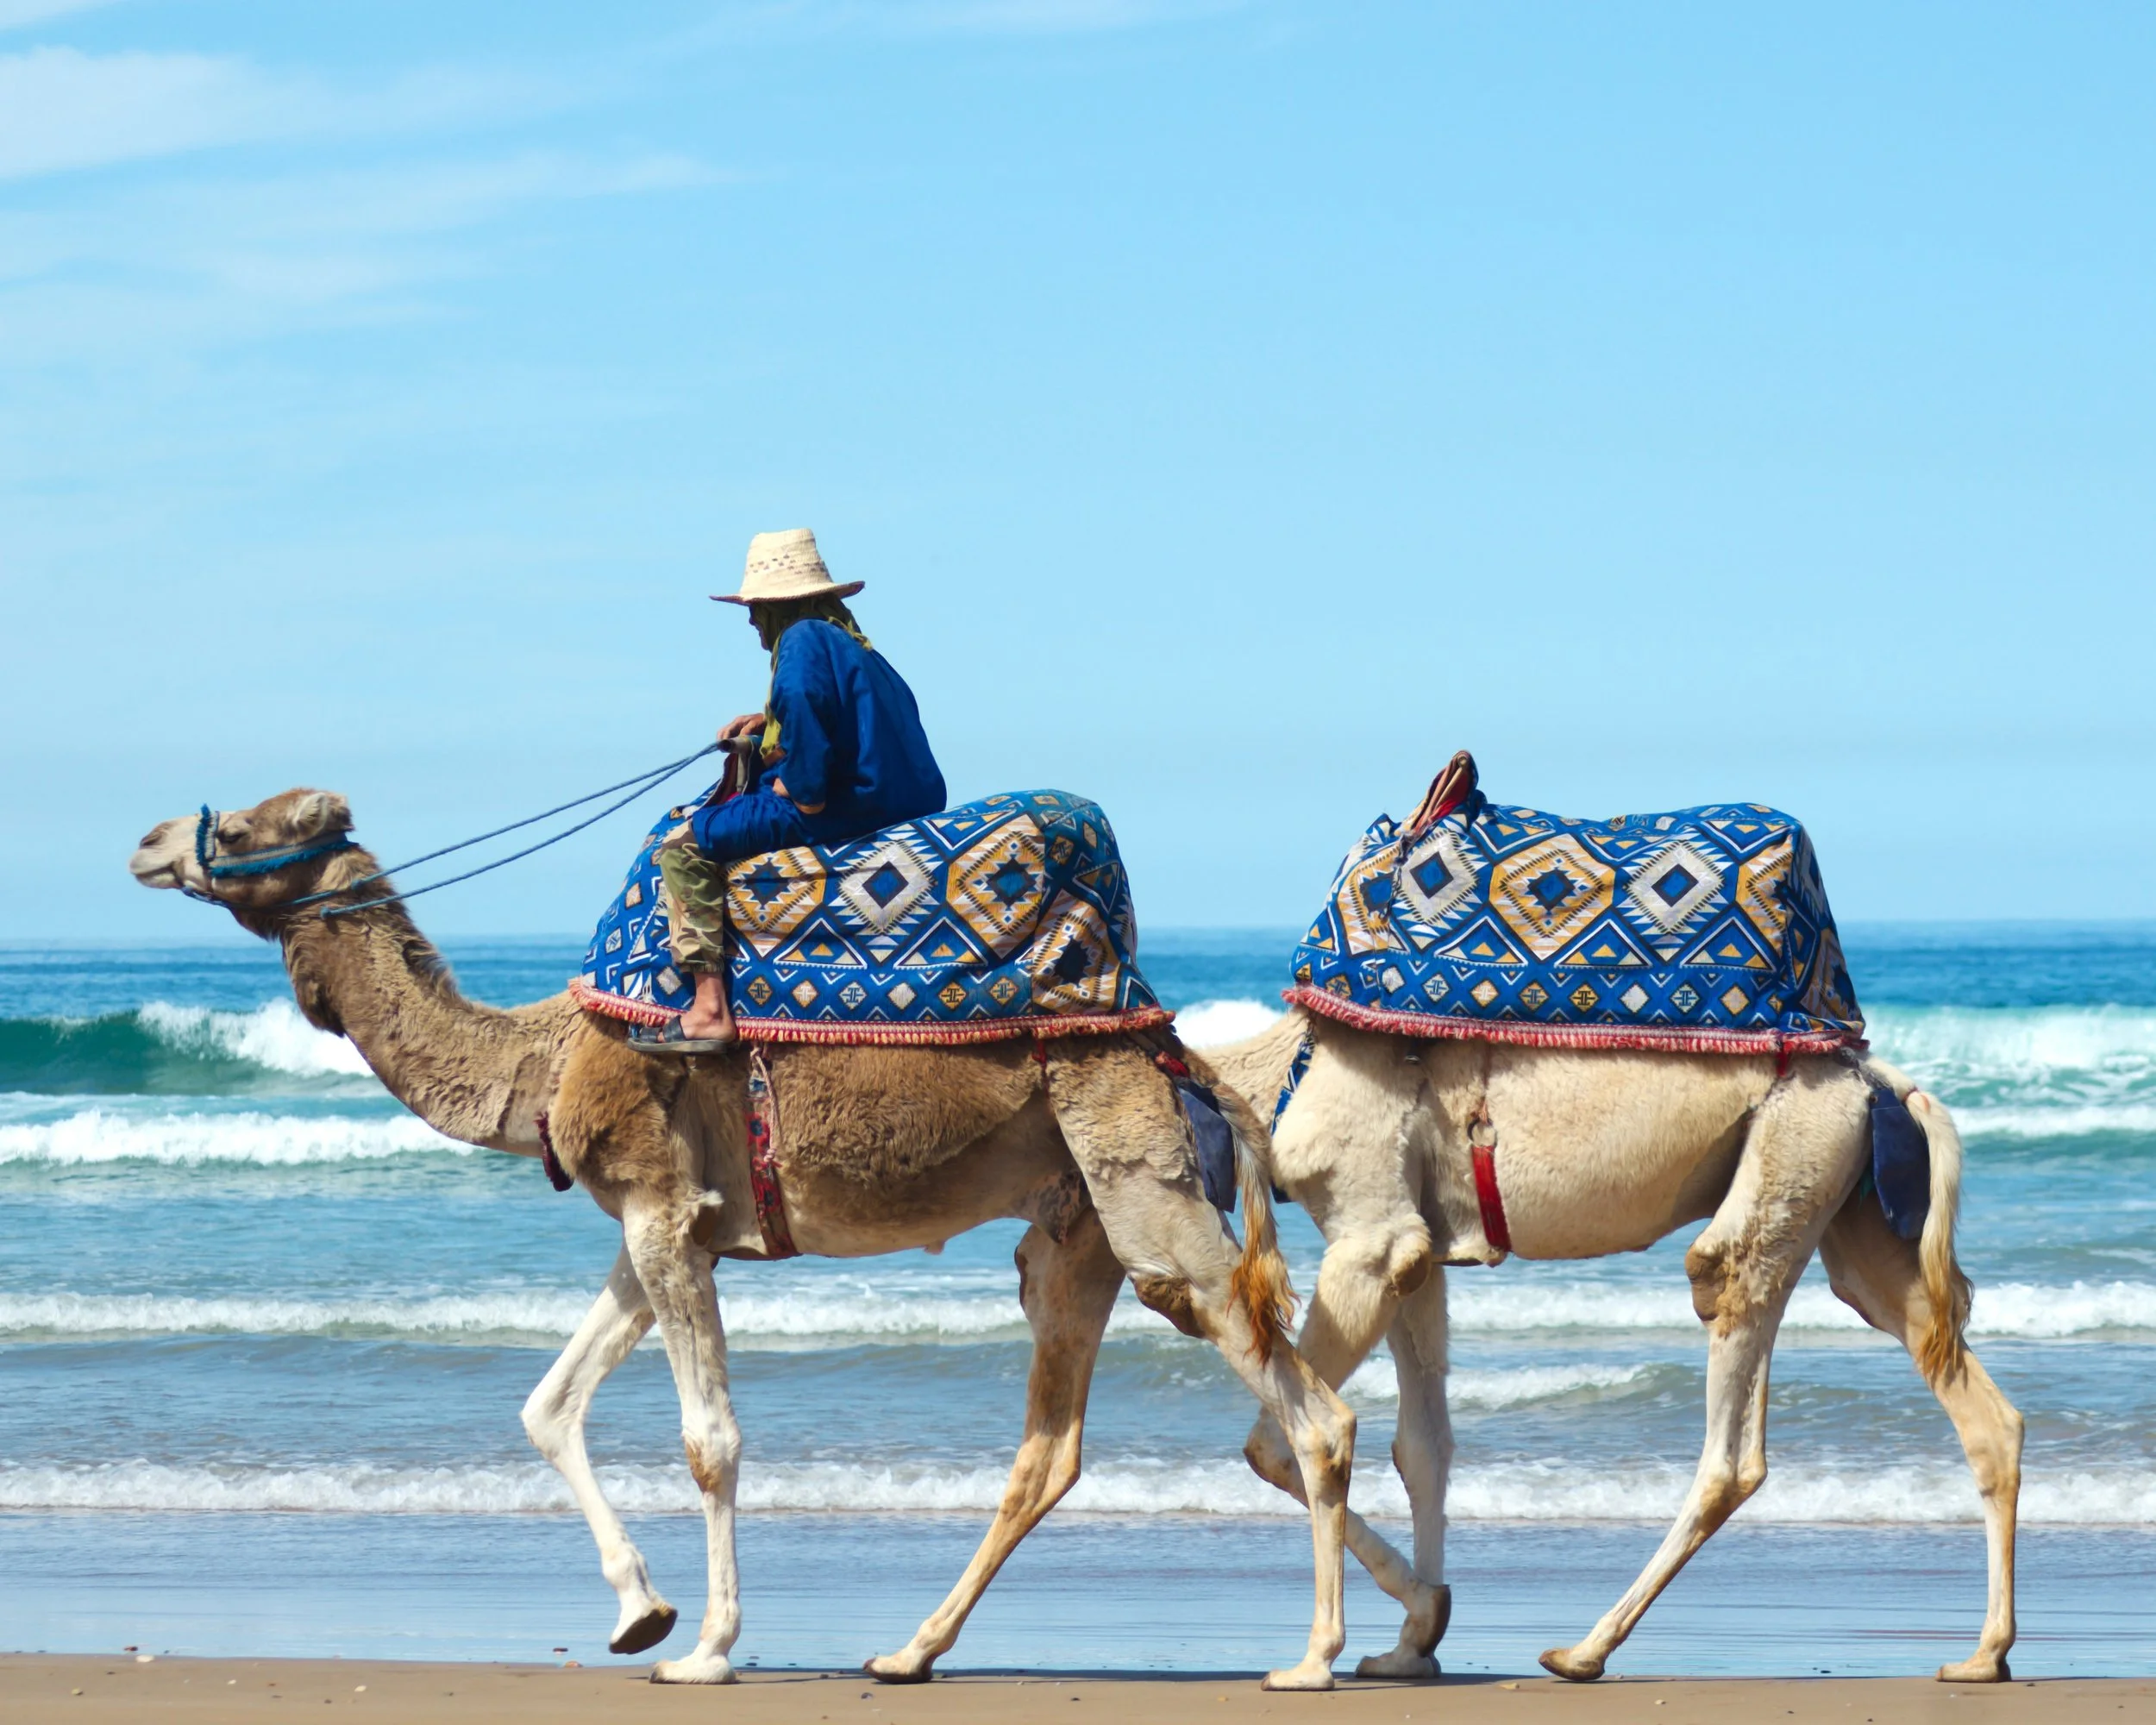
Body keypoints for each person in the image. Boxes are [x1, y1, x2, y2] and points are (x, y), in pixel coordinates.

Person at [634, 528, 946, 1051]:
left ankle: (708, 1009)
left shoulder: (798, 642)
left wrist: (798, 790)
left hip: (854, 805)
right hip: (903, 796)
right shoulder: (855, 648)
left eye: (756, 607)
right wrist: (767, 725)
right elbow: (839, 717)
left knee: (683, 847)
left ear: (780, 606)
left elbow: (803, 705)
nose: (753, 620)